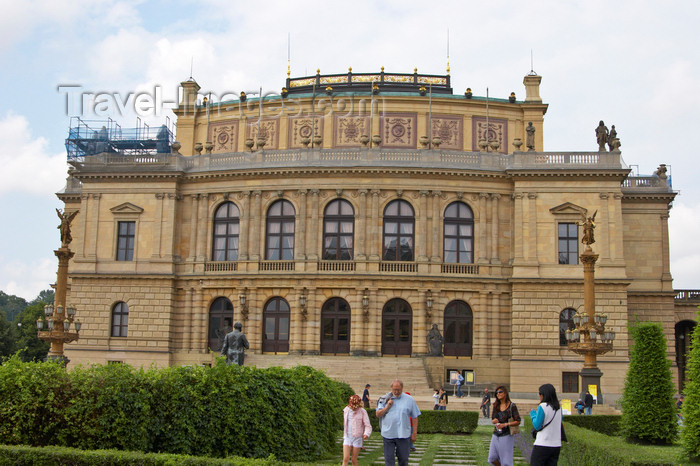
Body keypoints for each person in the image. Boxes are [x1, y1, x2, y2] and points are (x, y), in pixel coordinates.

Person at [376, 379, 421, 466]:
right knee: (389, 461)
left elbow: (415, 416)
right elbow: (378, 414)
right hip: (388, 434)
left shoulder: (409, 399)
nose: (396, 392)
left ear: (402, 388)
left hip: (403, 434)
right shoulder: (384, 399)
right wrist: (387, 406)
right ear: (391, 389)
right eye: (394, 390)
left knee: (404, 459)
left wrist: (414, 433)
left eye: (398, 390)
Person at [530, 383, 563, 466]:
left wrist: (533, 414)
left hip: (542, 444)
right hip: (556, 445)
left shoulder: (543, 406)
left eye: (539, 394)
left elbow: (537, 425)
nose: (539, 396)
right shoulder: (559, 408)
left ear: (543, 395)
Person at [488, 385, 521, 466]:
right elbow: (493, 419)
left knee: (506, 462)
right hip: (496, 434)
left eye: (500, 392)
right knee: (492, 458)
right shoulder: (496, 405)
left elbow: (518, 421)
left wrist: (506, 424)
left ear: (505, 393)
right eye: (496, 392)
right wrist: (494, 421)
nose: (498, 394)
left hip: (506, 435)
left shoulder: (511, 406)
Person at [342, 394, 372, 466]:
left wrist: (366, 434)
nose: (353, 408)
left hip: (357, 438)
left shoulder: (362, 412)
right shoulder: (346, 410)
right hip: (347, 437)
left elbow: (368, 425)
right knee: (345, 458)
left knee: (353, 459)